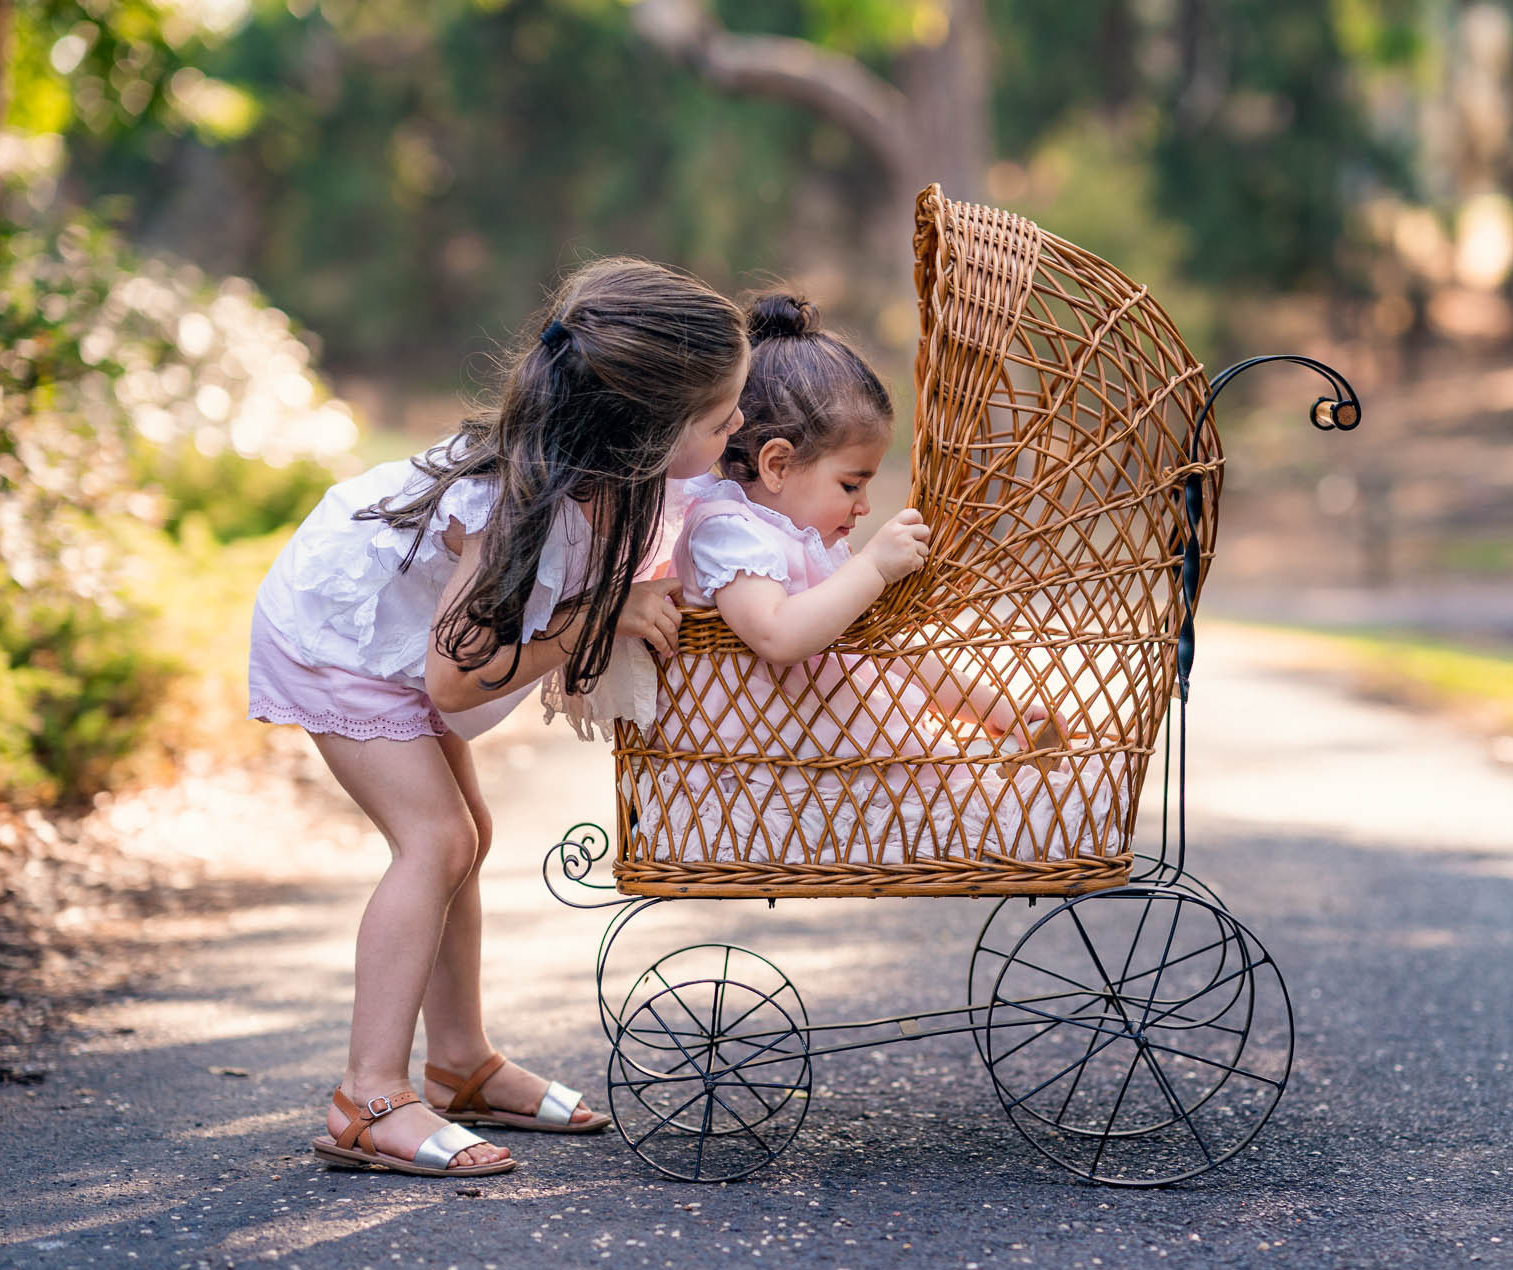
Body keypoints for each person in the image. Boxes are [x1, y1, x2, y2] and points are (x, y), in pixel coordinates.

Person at [248, 258, 749, 1176]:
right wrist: (592, 620)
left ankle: (460, 1062)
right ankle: (368, 1095)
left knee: (468, 832)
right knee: (434, 841)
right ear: (645, 430)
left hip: (385, 631)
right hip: (338, 632)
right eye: (722, 419)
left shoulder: (620, 479)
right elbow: (454, 678)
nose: (739, 426)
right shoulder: (519, 504)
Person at [637, 293, 1121, 866]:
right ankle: (1032, 824)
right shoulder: (728, 532)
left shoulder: (808, 542)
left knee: (1016, 786)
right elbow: (777, 635)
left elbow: (887, 648)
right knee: (999, 810)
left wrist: (996, 710)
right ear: (776, 464)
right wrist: (871, 569)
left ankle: (1027, 806)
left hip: (824, 749)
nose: (864, 506)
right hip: (764, 771)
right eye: (850, 485)